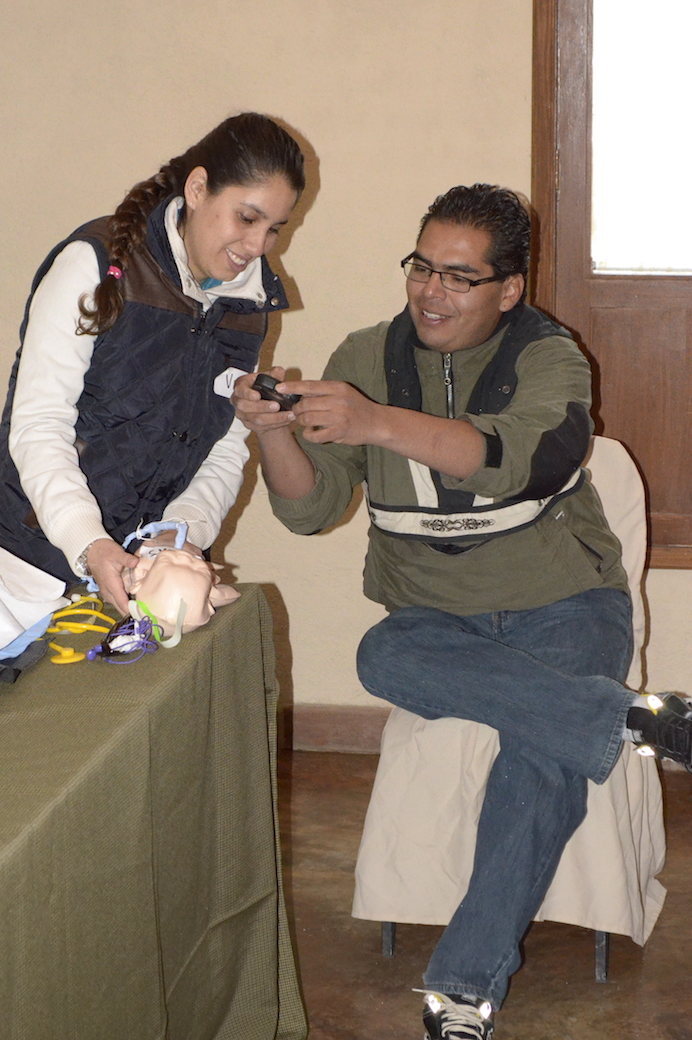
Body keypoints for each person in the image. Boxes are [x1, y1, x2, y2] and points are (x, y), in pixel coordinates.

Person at [232, 183, 692, 1039]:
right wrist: (270, 432)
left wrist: (378, 423)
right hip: (433, 625)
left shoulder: (551, 356)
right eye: (420, 267)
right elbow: (308, 510)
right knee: (380, 655)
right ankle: (631, 717)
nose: (429, 292)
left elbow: (522, 462)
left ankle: (462, 990)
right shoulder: (365, 355)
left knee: (541, 752)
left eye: (458, 276)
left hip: (565, 604)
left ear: (508, 289)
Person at [0, 112, 305, 615]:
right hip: (35, 557)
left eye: (274, 229)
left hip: (149, 569)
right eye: (247, 218)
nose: (258, 246)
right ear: (197, 189)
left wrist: (179, 535)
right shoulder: (94, 264)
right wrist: (90, 544)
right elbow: (39, 425)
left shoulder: (248, 306)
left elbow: (223, 448)